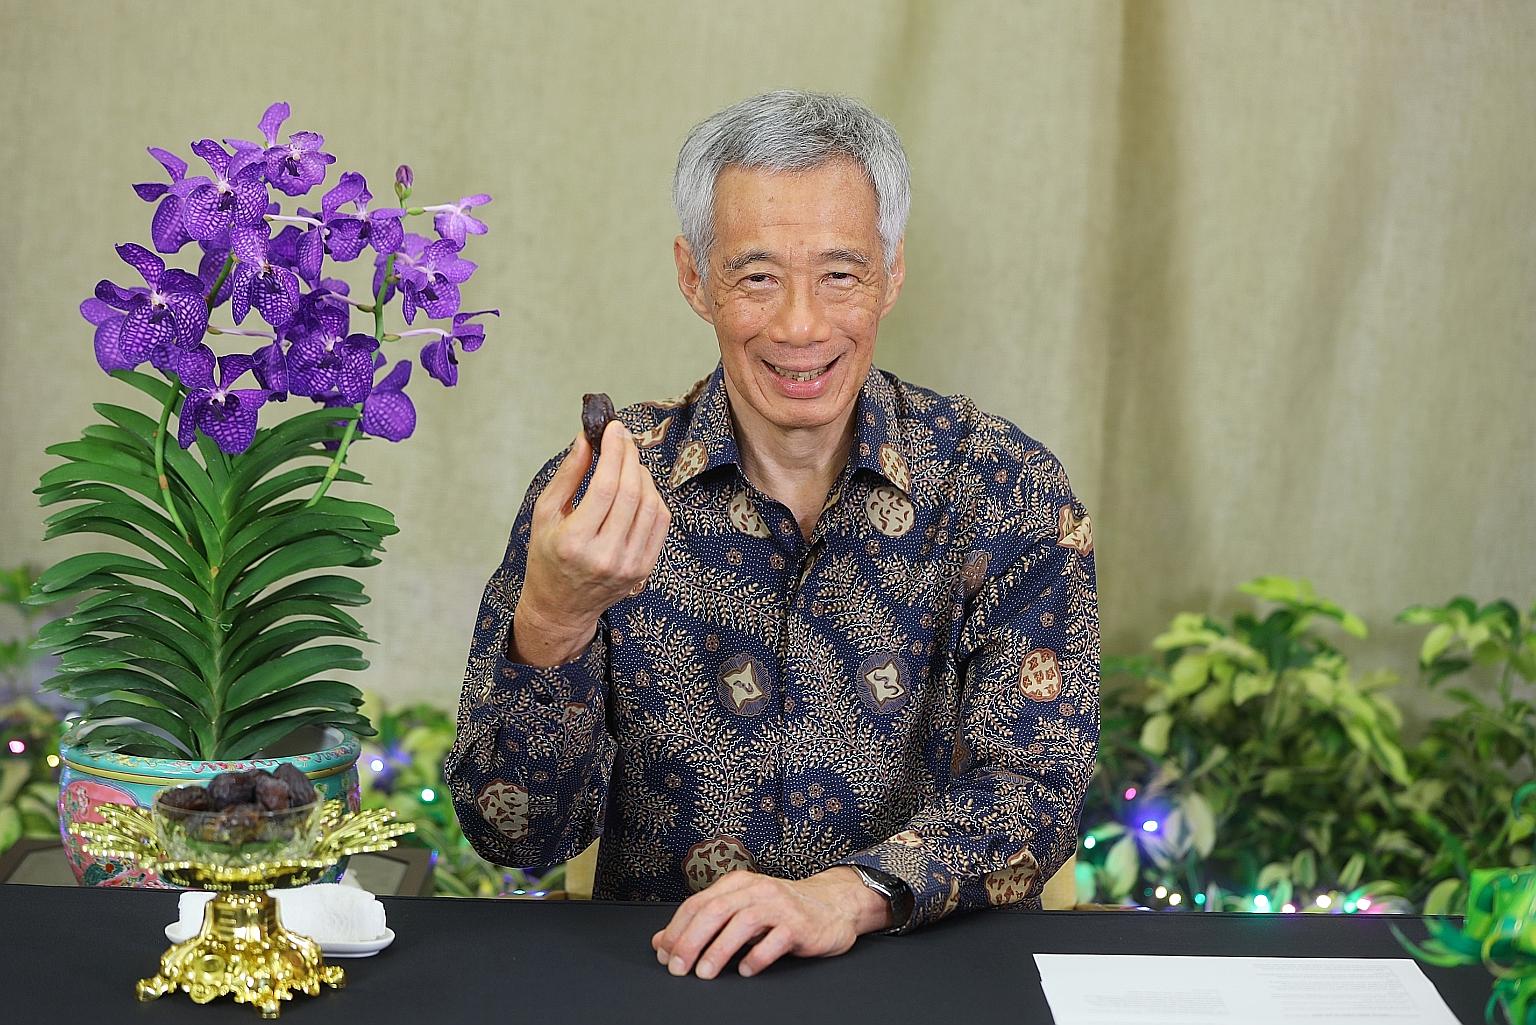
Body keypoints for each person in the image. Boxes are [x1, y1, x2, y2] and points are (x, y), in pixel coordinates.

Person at [444, 90, 1099, 980]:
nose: (801, 324)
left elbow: (1037, 789)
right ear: (694, 277)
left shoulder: (1005, 489)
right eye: (757, 276)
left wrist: (846, 894)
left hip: (920, 978)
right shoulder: (603, 494)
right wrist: (554, 619)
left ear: (893, 273)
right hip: (669, 979)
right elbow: (515, 835)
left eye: (842, 273)